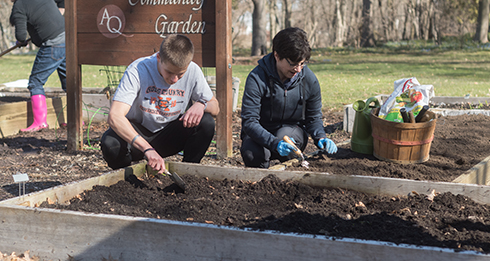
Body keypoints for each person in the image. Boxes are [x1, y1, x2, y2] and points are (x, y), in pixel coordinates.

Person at [100, 34, 219, 173]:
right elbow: (115, 116)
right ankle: (127, 178)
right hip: (138, 135)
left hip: (169, 135)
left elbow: (215, 107)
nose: (174, 79)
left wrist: (201, 104)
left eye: (180, 74)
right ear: (158, 58)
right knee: (110, 143)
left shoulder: (193, 70)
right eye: (169, 72)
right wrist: (147, 149)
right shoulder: (138, 69)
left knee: (206, 122)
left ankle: (188, 174)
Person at [240, 27, 337, 168]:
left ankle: (290, 181)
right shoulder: (257, 78)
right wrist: (274, 143)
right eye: (293, 63)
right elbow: (249, 121)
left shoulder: (309, 80)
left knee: (284, 136)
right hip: (261, 132)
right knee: (251, 152)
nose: (298, 69)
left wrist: (320, 136)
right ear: (277, 56)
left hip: (292, 131)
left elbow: (313, 117)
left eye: (302, 64)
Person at [1, 0, 66, 131]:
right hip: (67, 41)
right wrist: (60, 14)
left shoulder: (19, 6)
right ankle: (75, 119)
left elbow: (21, 36)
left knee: (35, 83)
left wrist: (20, 42)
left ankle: (40, 122)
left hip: (53, 45)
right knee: (69, 83)